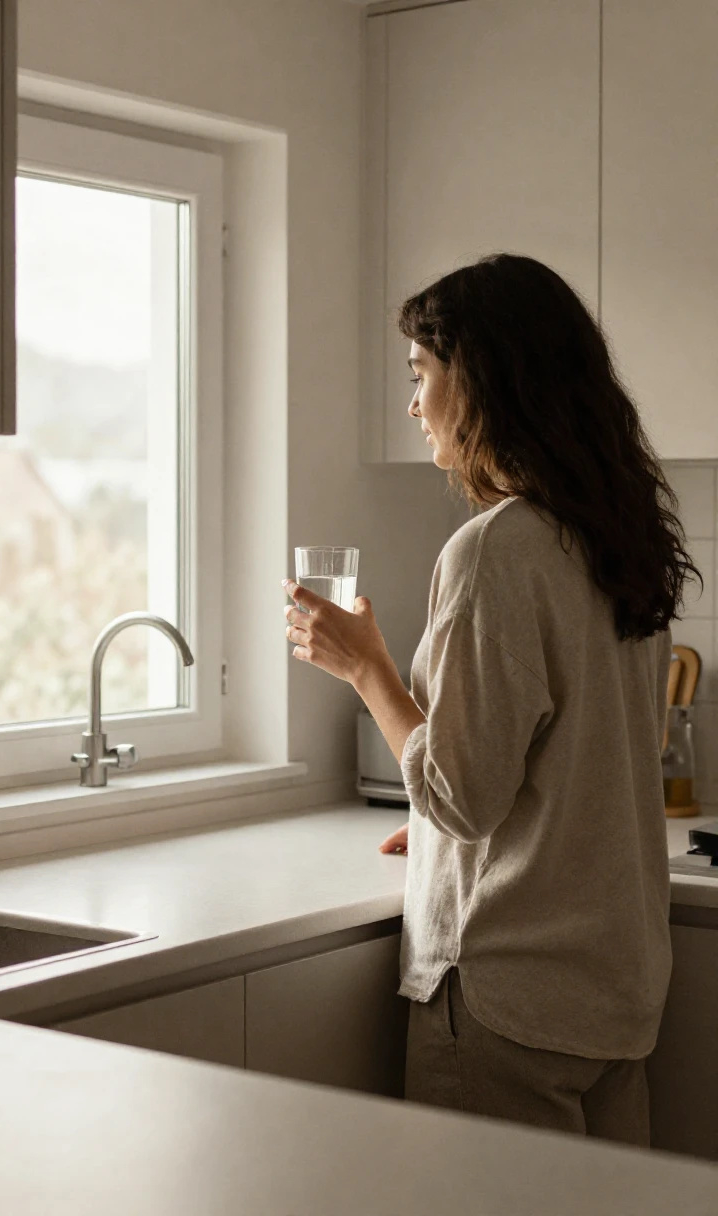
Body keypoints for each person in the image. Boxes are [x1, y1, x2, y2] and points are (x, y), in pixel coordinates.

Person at [281, 253, 699, 1145]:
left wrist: (368, 671)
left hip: (510, 998)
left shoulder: (493, 551)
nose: (413, 402)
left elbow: (463, 799)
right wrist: (438, 825)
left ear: (479, 382)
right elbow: (573, 767)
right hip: (614, 993)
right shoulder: (615, 541)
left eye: (421, 375)